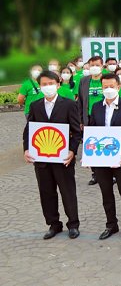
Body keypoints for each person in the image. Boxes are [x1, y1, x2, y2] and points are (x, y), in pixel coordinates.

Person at [22, 70, 82, 240]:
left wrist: (72, 151)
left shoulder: (69, 104)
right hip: (41, 158)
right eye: (44, 84)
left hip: (63, 157)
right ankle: (54, 224)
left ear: (58, 84)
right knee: (46, 192)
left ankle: (73, 224)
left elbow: (77, 132)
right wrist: (26, 149)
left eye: (51, 84)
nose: (47, 87)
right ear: (40, 86)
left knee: (67, 191)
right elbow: (29, 130)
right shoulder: (35, 105)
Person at [89, 74, 121, 240]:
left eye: (111, 86)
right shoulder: (96, 107)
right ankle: (111, 224)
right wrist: (90, 156)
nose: (108, 90)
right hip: (102, 159)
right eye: (105, 87)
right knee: (106, 193)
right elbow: (92, 133)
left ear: (118, 86)